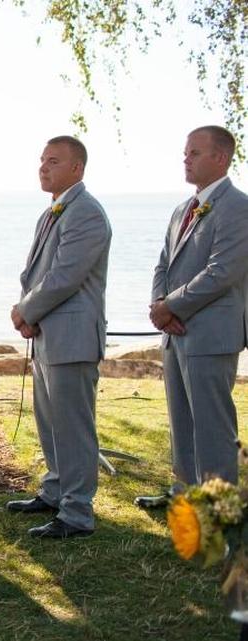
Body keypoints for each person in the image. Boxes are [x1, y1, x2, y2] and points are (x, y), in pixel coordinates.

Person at [5, 136, 111, 539]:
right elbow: (35, 274)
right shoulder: (53, 211)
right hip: (48, 332)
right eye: (41, 160)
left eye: (53, 161)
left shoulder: (86, 213)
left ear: (77, 168)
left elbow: (65, 276)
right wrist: (28, 316)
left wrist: (26, 311)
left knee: (74, 426)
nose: (43, 167)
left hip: (72, 335)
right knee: (49, 422)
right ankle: (55, 491)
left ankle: (78, 512)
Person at [138, 126, 248, 509]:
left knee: (212, 426)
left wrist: (173, 306)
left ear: (220, 158)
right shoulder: (181, 209)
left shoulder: (238, 207)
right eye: (186, 152)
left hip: (212, 333)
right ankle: (184, 496)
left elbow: (222, 272)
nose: (186, 158)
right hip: (176, 332)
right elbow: (163, 265)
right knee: (181, 421)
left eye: (194, 153)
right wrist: (159, 307)